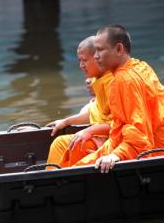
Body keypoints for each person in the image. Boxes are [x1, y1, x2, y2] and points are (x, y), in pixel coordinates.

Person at [75, 25, 164, 173]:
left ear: (119, 49)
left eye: (100, 50)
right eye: (95, 51)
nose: (96, 56)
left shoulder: (123, 80)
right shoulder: (141, 66)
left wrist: (116, 154)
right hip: (139, 143)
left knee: (75, 164)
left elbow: (137, 131)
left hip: (150, 152)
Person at [46, 36, 113, 167]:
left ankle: (65, 181)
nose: (81, 66)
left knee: (78, 144)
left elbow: (121, 124)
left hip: (115, 139)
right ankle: (51, 180)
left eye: (84, 61)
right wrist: (66, 121)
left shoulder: (113, 83)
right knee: (59, 143)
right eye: (80, 61)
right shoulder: (97, 81)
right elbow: (93, 112)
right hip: (100, 136)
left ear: (98, 58)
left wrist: (91, 133)